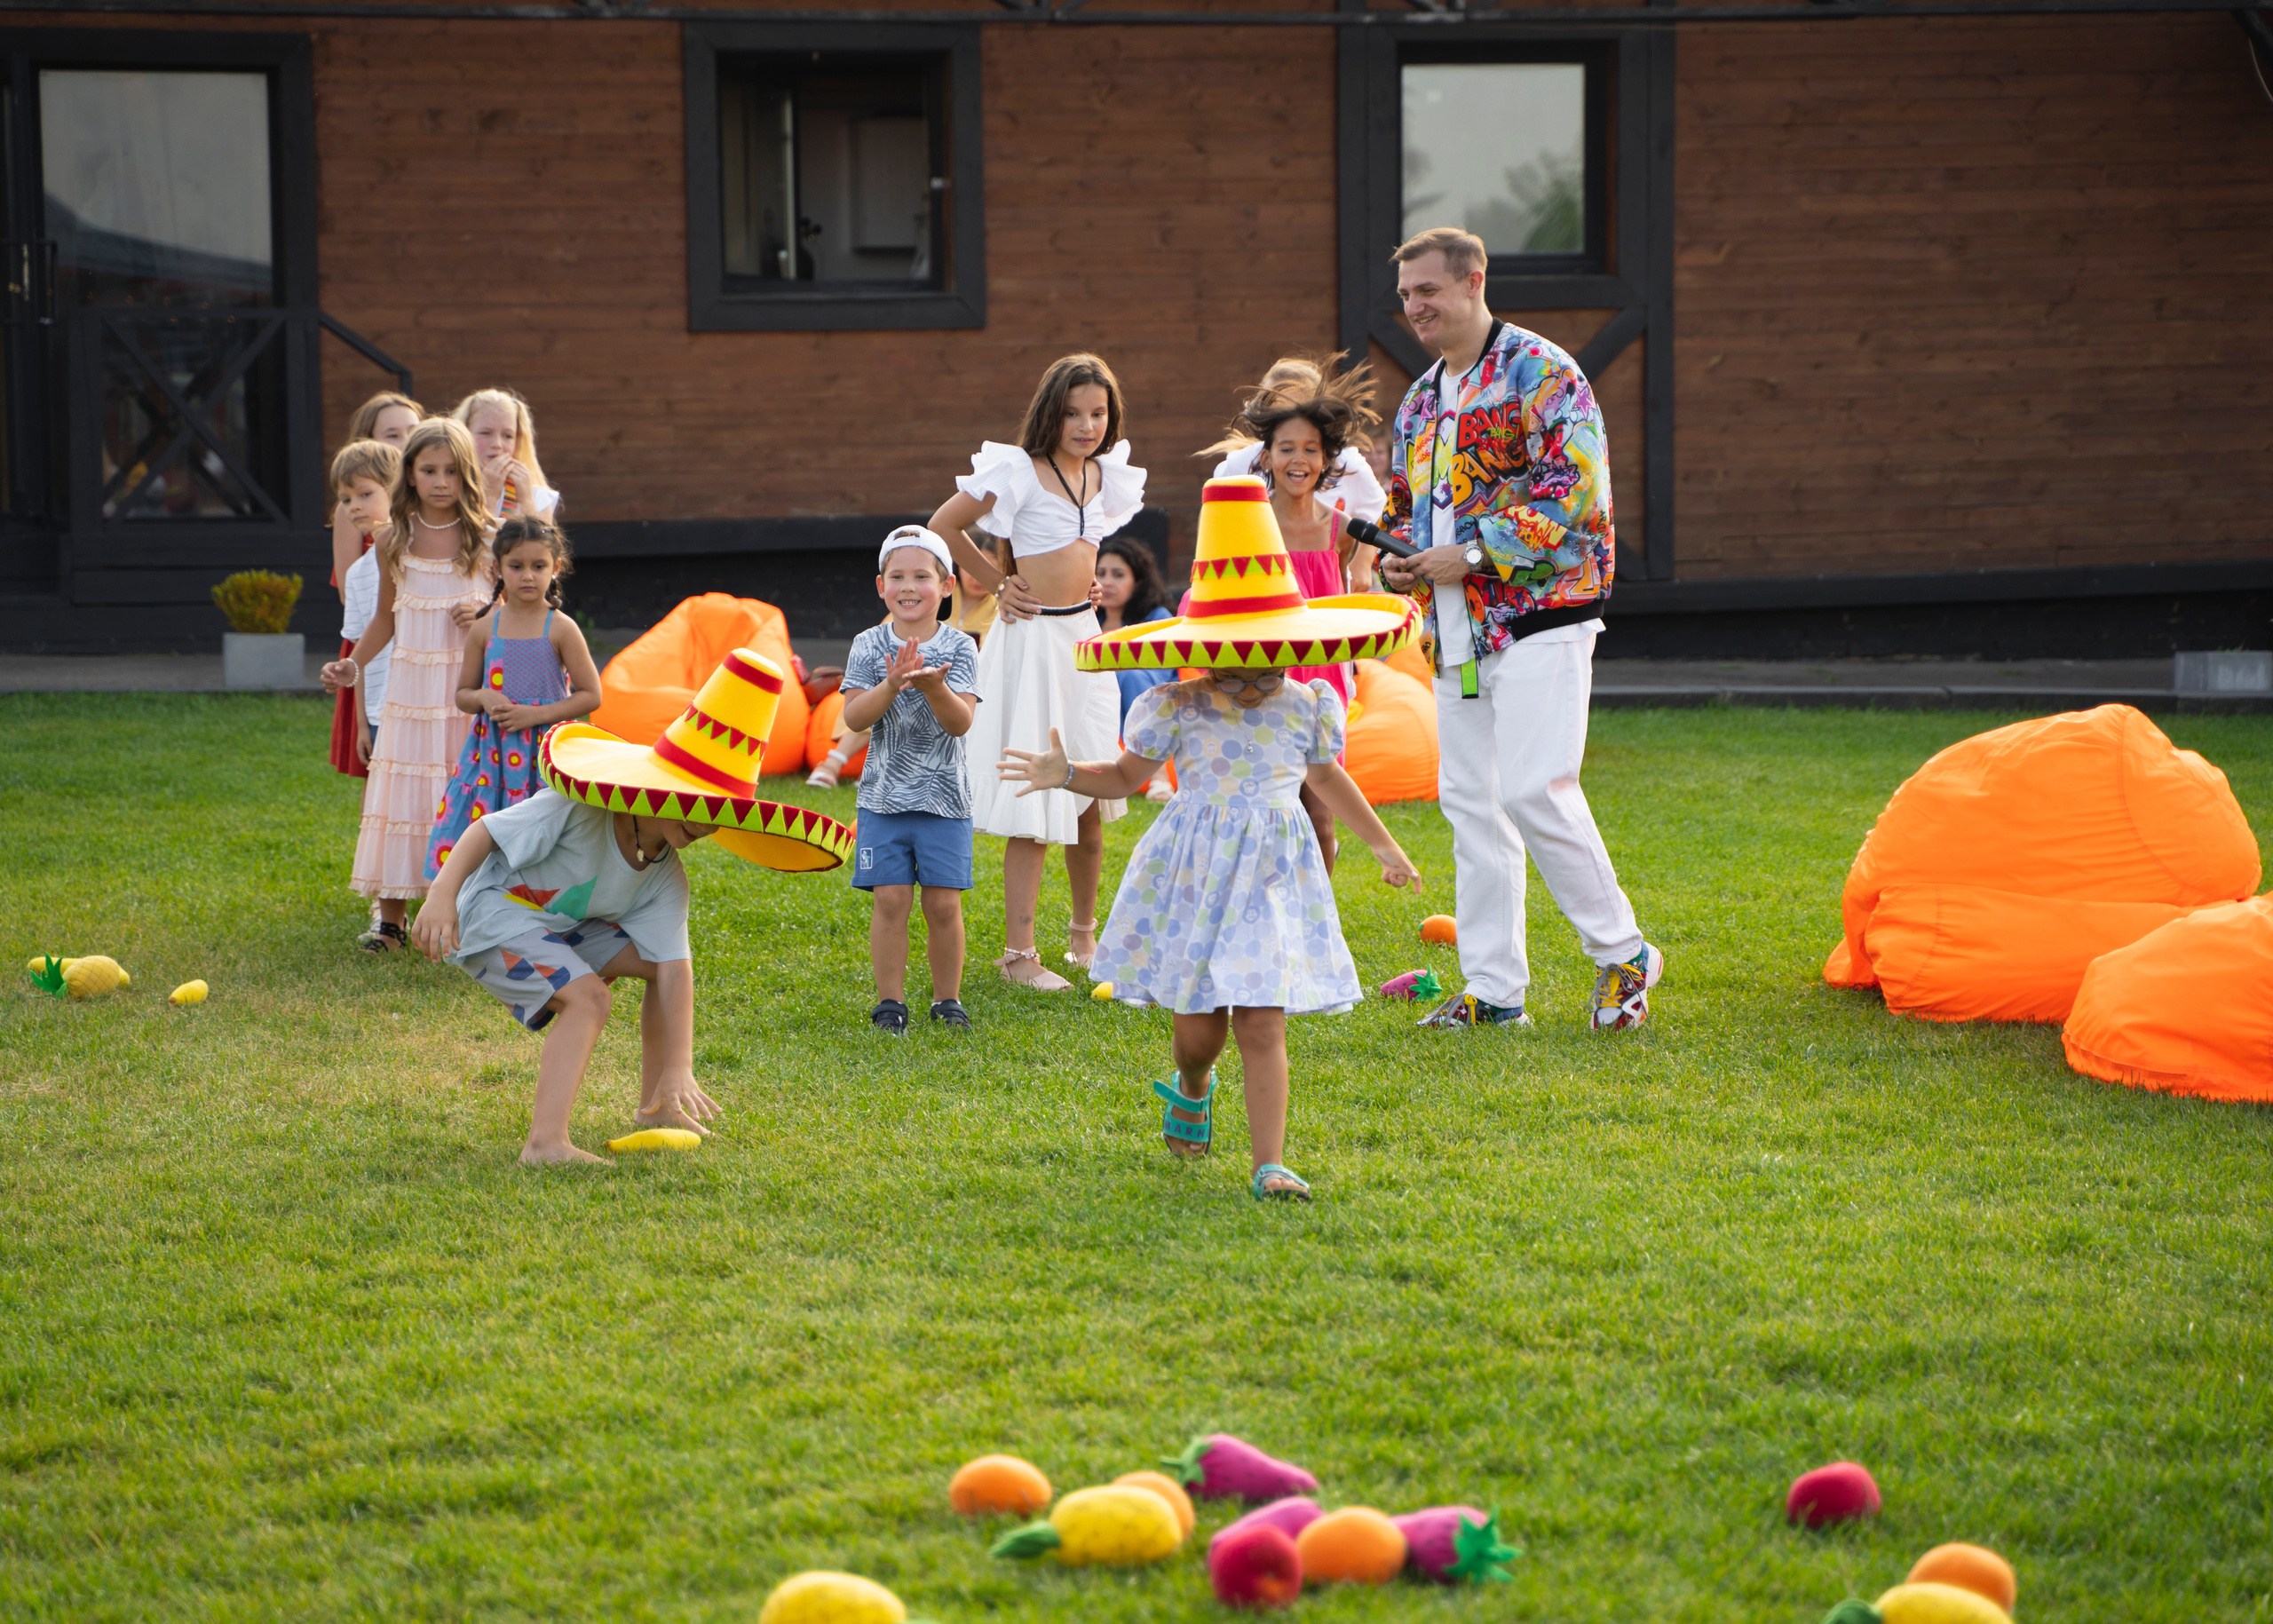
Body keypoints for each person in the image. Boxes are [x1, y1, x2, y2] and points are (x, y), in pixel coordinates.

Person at [1002, 477, 1424, 1201]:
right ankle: (1192, 1083)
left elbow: (1329, 780)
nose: (1247, 665)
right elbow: (1127, 775)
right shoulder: (1177, 706)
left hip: (1268, 875)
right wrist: (1067, 771)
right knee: (1200, 1033)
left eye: (1264, 649)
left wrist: (1385, 846)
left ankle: (1270, 1162)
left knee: (1263, 1021)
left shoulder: (1307, 706)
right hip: (1197, 877)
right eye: (1229, 649)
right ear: (1202, 648)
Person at [1374, 226, 1662, 1032]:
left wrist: (1467, 552)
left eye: (1427, 290)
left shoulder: (1544, 371)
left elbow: (1578, 495)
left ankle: (1624, 955)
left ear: (1473, 281)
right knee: (1471, 802)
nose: (1414, 308)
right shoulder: (1423, 397)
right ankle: (1495, 994)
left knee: (1537, 788)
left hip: (1546, 613)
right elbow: (1404, 507)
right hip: (1452, 628)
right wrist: (1398, 560)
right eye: (1405, 297)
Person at [411, 649, 854, 1164]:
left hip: (554, 926)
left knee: (655, 968)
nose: (706, 823)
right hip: (488, 915)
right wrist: (442, 897)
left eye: (719, 812)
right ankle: (545, 1144)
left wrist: (679, 1066)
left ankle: (657, 1106)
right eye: (695, 802)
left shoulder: (665, 875)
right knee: (589, 1000)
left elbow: (675, 969)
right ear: (657, 793)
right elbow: (485, 831)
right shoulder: (577, 810)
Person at [925, 353, 1145, 991]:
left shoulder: (1106, 475)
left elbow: (1083, 553)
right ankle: (1018, 954)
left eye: (1098, 413)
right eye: (1074, 412)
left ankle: (1084, 937)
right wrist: (1000, 583)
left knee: (1092, 792)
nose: (1086, 425)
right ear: (1051, 411)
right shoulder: (1020, 469)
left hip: (1084, 640)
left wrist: (1091, 593)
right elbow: (945, 525)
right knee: (1036, 796)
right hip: (1032, 642)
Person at [323, 417, 494, 951]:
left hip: (466, 693)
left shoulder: (487, 539)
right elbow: (384, 620)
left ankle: (466, 913)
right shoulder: (392, 541)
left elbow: (522, 612)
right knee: (403, 797)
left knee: (464, 795)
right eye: (428, 470)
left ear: (467, 476)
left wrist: (487, 612)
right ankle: (392, 920)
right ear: (411, 476)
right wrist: (353, 665)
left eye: (451, 471)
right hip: (411, 691)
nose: (440, 481)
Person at [1231, 373, 1390, 869]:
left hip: (1322, 678)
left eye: (1311, 450)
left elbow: (1370, 539)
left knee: (1320, 812)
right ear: (1266, 458)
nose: (1299, 460)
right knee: (1262, 807)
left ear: (1326, 461)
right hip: (1261, 671)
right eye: (1286, 449)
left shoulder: (1338, 526)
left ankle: (1315, 924)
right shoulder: (1249, 523)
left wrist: (1363, 566)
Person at [837, 527, 982, 1034]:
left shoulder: (961, 647)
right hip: (883, 800)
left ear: (946, 587)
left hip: (945, 800)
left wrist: (935, 687)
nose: (908, 586)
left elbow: (960, 723)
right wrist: (893, 682)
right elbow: (855, 719)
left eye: (922, 576)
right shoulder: (867, 644)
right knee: (891, 899)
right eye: (897, 575)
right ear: (881, 586)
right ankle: (890, 1004)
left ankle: (947, 1001)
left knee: (943, 904)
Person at [428, 516, 604, 878]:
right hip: (491, 755)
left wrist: (535, 716)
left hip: (543, 756)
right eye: (516, 566)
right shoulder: (483, 629)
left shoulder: (561, 628)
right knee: (487, 824)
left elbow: (591, 694)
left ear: (555, 568)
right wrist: (483, 697)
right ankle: (478, 896)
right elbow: (463, 695)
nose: (527, 575)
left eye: (538, 566)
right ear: (497, 569)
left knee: (544, 830)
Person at [1205, 355, 1387, 526]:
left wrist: (1359, 560)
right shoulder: (1238, 467)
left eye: (1295, 408)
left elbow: (1381, 517)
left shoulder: (1347, 463)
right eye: (1274, 409)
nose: (1288, 421)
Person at [329, 439, 400, 780]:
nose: (354, 506)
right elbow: (359, 650)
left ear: (396, 488)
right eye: (346, 499)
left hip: (420, 702)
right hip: (376, 708)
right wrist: (361, 725)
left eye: (365, 494)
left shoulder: (420, 558)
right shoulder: (357, 573)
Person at [1093, 535, 1176, 804]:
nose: (1107, 582)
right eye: (1101, 573)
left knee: (1129, 675)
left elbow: (1157, 670)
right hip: (1105, 700)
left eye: (1118, 575)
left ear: (1138, 581)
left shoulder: (1157, 617)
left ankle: (1160, 775)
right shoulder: (1091, 620)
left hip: (1155, 693)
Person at [330, 390, 424, 596]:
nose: (407, 442)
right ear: (368, 442)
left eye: (414, 432)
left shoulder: (434, 493)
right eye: (393, 435)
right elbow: (348, 594)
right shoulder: (352, 508)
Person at [454, 387, 560, 522]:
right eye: (485, 433)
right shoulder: (448, 490)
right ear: (464, 433)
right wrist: (490, 497)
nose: (497, 444)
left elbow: (541, 542)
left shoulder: (537, 496)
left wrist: (526, 502)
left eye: (507, 436)